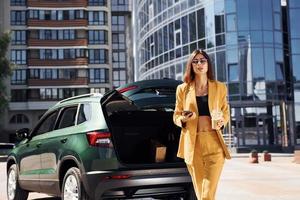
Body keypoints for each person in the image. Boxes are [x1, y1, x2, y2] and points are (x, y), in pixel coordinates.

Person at [173, 49, 231, 200]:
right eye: (195, 61)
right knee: (201, 195)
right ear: (191, 65)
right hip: (193, 144)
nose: (199, 64)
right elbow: (176, 115)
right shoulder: (183, 89)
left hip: (214, 143)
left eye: (202, 60)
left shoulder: (220, 87)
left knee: (207, 194)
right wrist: (183, 120)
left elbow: (225, 112)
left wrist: (222, 121)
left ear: (208, 64)